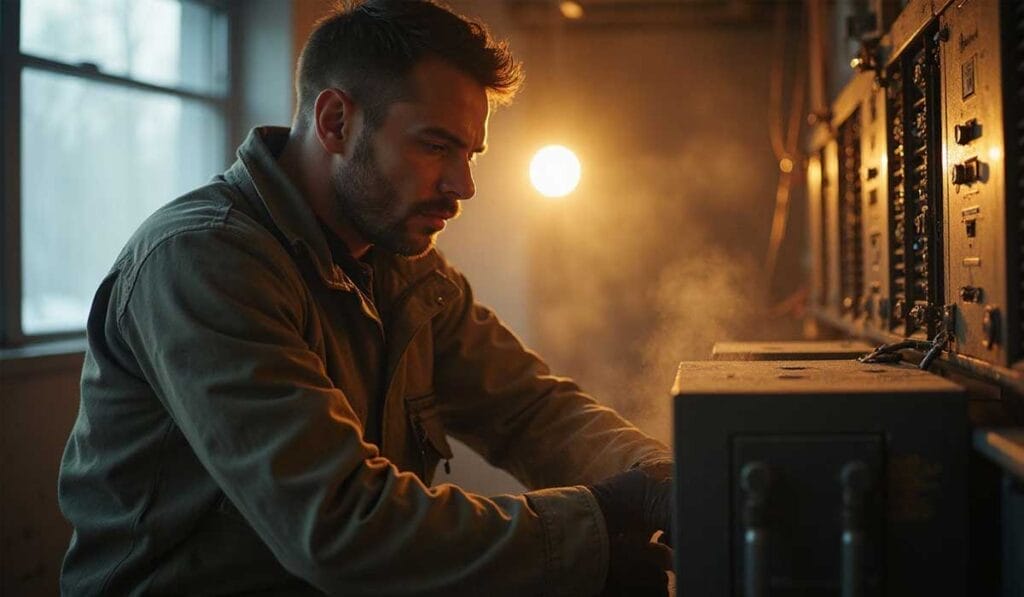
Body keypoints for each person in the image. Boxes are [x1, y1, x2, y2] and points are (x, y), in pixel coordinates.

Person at [58, 1, 673, 594]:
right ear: (335, 122)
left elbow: (529, 411)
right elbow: (339, 526)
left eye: (469, 152)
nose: (464, 185)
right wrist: (590, 529)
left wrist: (665, 481)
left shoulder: (405, 272)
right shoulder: (203, 262)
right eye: (435, 146)